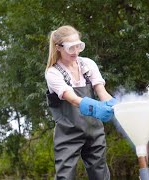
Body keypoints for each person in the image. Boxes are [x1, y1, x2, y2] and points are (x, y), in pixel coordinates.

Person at [45, 25, 116, 180]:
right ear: (58, 48)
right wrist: (96, 108)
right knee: (65, 176)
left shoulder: (88, 64)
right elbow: (72, 98)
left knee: (101, 175)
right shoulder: (53, 73)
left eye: (79, 46)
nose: (76, 52)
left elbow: (101, 91)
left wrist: (116, 106)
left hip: (94, 131)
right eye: (71, 48)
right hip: (68, 134)